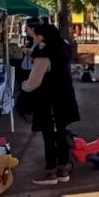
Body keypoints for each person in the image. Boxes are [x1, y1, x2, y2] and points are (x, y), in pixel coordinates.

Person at [23, 24, 81, 186]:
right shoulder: (62, 49)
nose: (33, 38)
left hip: (49, 101)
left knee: (50, 137)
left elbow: (33, 83)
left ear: (42, 37)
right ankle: (63, 169)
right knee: (61, 134)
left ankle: (51, 172)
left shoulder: (44, 57)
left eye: (35, 36)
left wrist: (23, 85)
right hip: (65, 98)